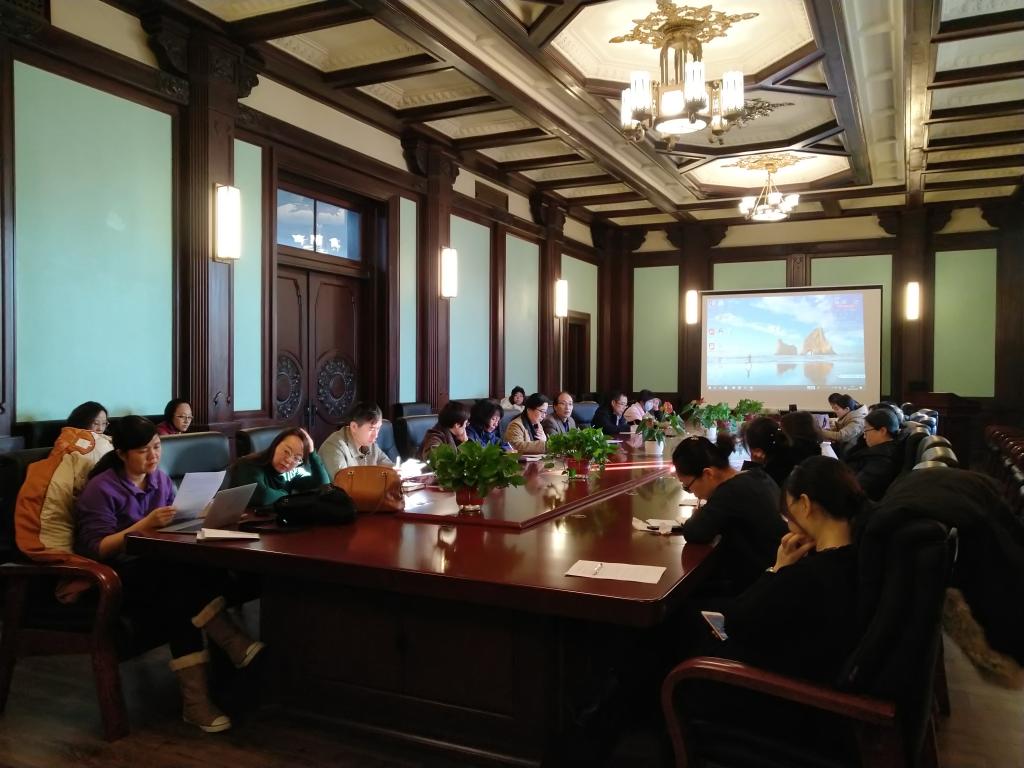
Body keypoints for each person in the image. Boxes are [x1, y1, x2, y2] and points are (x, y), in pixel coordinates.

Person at [74, 416, 264, 733]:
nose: (153, 456)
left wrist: (200, 514)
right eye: (143, 451)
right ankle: (231, 644)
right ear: (121, 454)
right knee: (178, 586)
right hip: (118, 575)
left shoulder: (159, 480)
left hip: (160, 569)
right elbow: (98, 548)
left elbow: (172, 524)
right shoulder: (101, 489)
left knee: (181, 593)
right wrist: (143, 525)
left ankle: (196, 702)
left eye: (157, 447)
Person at [698, 456, 864, 683]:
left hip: (774, 687)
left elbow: (736, 624)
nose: (788, 523)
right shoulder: (860, 553)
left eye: (788, 514)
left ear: (804, 505)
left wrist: (777, 568)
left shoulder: (807, 575)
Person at [673, 436, 787, 594]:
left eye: (688, 487)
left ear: (708, 474)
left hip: (761, 589)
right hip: (778, 577)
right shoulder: (755, 475)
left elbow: (694, 532)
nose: (693, 493)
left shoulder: (730, 492)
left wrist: (697, 514)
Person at [230, 427, 330, 507]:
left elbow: (323, 485)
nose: (288, 460)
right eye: (286, 451)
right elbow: (262, 496)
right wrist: (287, 495)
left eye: (297, 458)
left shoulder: (291, 473)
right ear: (275, 445)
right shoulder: (248, 464)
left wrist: (312, 453)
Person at [319, 401, 393, 478]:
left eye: (378, 428)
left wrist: (396, 472)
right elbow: (344, 482)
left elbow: (389, 467)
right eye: (371, 429)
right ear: (354, 427)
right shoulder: (334, 447)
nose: (376, 435)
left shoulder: (370, 444)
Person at [843, 408, 903, 501]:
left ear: (882, 431)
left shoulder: (881, 461)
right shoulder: (880, 451)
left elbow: (856, 490)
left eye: (866, 430)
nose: (864, 436)